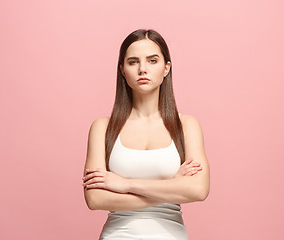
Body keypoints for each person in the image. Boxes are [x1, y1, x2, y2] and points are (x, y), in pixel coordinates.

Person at [82, 28, 210, 240]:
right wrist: (173, 189)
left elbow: (198, 190)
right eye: (133, 62)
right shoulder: (102, 128)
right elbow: (95, 199)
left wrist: (126, 184)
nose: (142, 69)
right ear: (122, 69)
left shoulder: (186, 125)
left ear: (166, 67)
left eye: (152, 61)